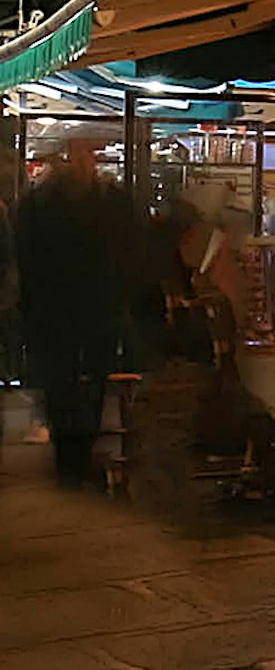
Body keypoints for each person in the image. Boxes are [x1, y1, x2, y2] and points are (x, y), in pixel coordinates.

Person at [17, 160, 141, 486]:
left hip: (57, 312)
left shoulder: (37, 206)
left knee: (64, 385)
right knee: (87, 385)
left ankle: (69, 457)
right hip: (92, 310)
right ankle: (77, 454)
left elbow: (26, 260)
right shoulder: (110, 206)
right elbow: (125, 257)